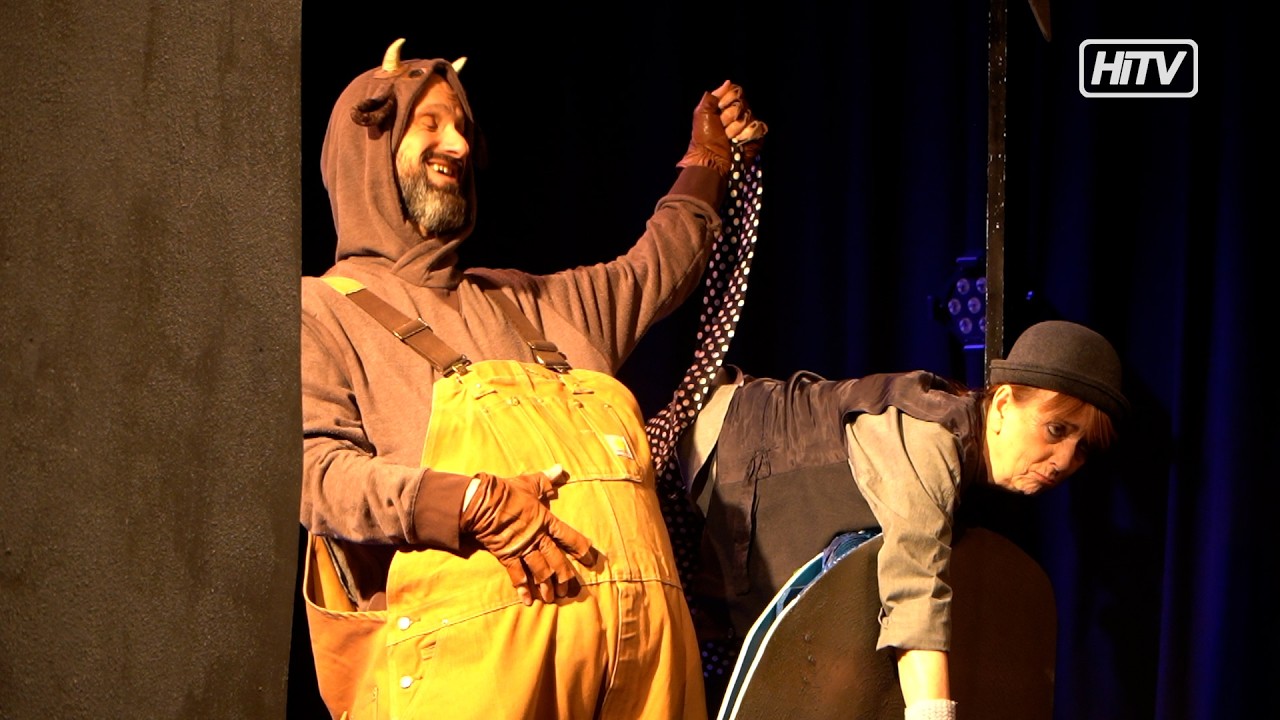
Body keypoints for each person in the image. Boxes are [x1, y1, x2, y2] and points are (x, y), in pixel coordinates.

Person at [297, 37, 765, 720]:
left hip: (644, 681)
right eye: (430, 124)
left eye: (462, 126)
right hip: (466, 682)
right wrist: (463, 503)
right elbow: (313, 475)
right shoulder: (320, 311)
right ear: (369, 147)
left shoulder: (532, 303)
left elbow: (658, 263)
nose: (458, 144)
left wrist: (709, 159)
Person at [678, 319, 1127, 719]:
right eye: (1056, 430)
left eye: (1083, 447)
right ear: (1005, 403)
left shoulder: (970, 461)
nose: (1065, 460)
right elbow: (915, 585)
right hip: (714, 447)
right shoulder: (932, 435)